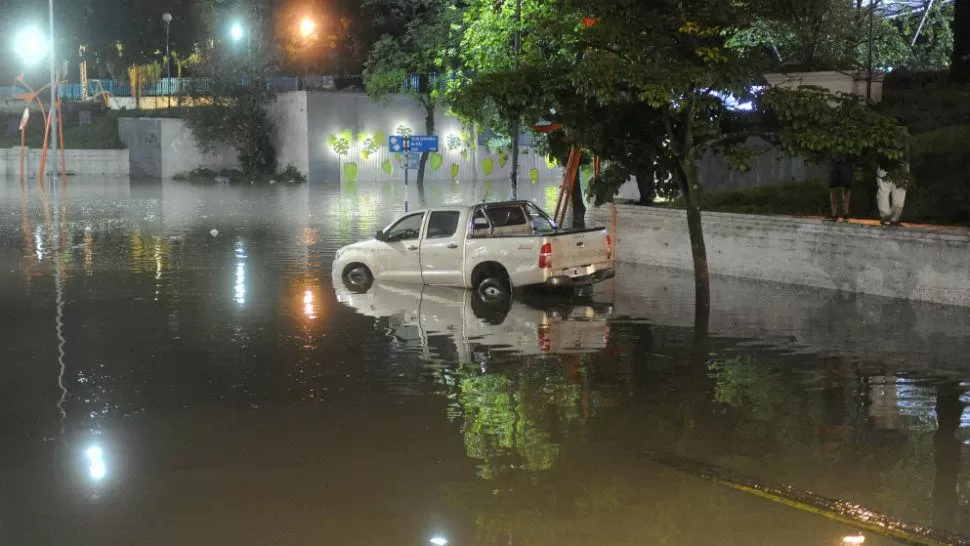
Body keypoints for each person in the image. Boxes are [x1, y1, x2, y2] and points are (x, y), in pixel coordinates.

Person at [826, 158, 853, 222]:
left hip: (846, 161)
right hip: (833, 161)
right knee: (832, 186)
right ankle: (834, 214)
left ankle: (845, 213)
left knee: (846, 186)